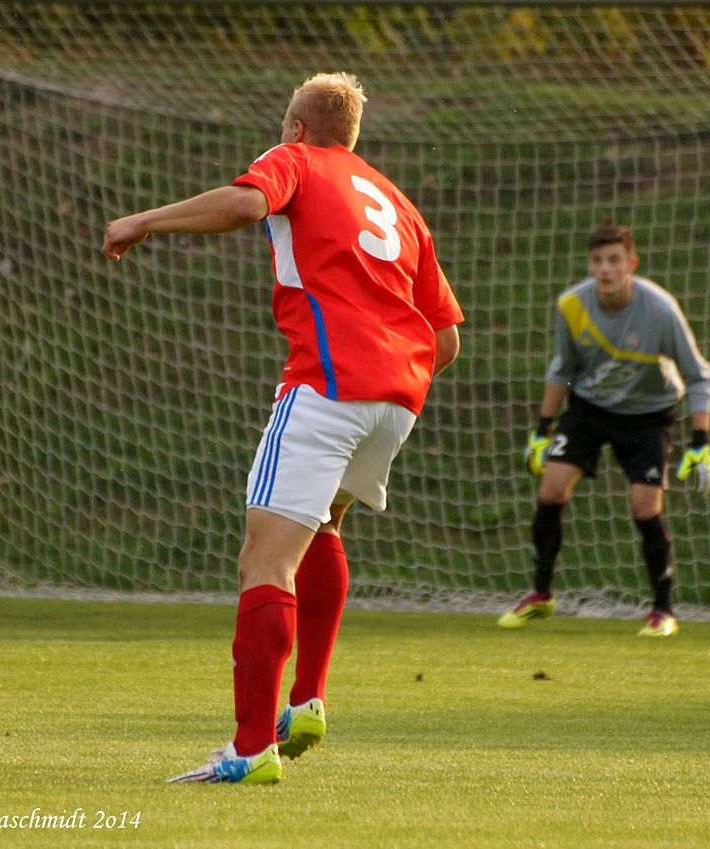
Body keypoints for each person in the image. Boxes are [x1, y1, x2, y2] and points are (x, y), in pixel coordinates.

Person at [102, 72, 463, 784]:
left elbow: (244, 204)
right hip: (397, 399)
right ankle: (305, 701)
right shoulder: (395, 199)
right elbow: (447, 340)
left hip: (328, 385)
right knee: (325, 526)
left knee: (263, 561)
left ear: (296, 127)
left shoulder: (295, 159)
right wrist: (389, 382)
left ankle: (247, 750)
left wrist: (143, 220)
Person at [498, 223, 710, 637]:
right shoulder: (572, 305)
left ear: (631, 263)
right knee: (550, 491)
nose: (605, 269)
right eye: (598, 260)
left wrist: (702, 441)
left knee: (644, 507)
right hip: (589, 409)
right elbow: (562, 370)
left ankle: (663, 611)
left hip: (649, 416)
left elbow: (700, 376)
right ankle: (541, 596)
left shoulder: (660, 311)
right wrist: (542, 429)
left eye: (614, 260)